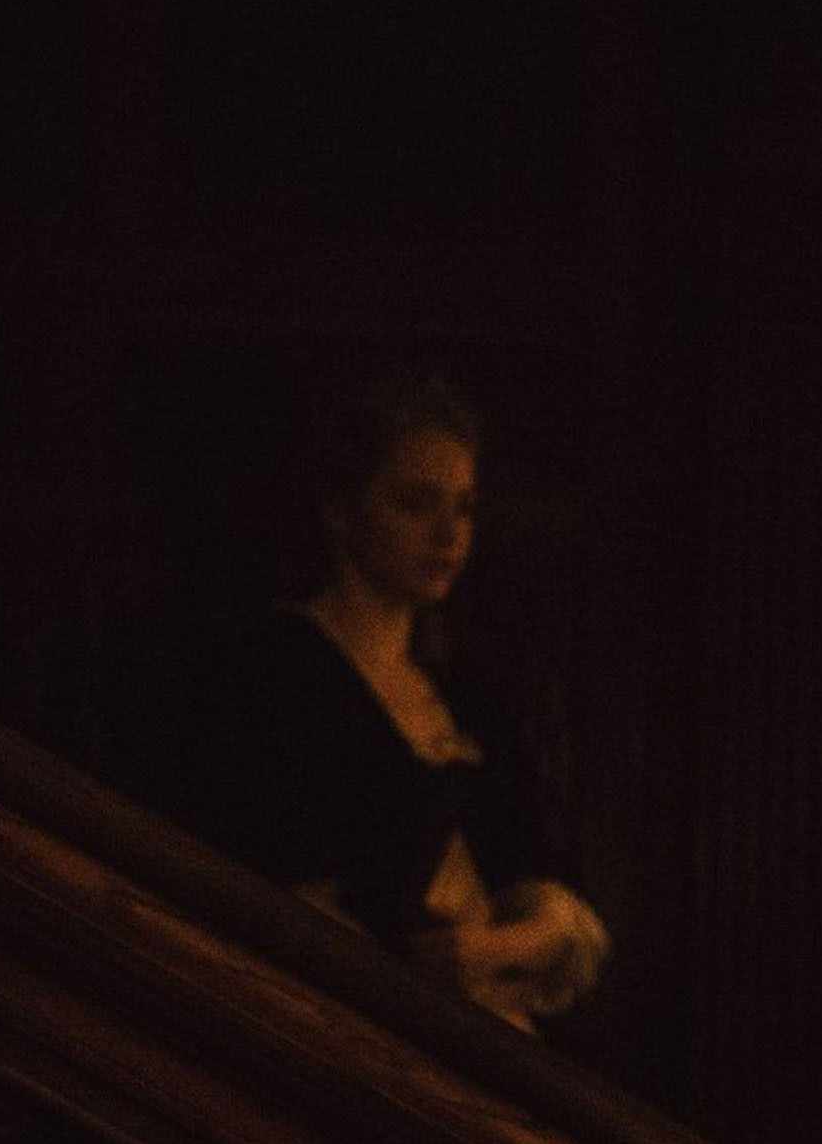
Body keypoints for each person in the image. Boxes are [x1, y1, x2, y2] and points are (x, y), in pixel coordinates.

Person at [157, 364, 608, 1030]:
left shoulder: (467, 691)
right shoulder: (277, 673)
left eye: (464, 507)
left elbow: (545, 882)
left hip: (485, 1035)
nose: (448, 535)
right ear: (344, 510)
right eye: (416, 504)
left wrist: (495, 948)